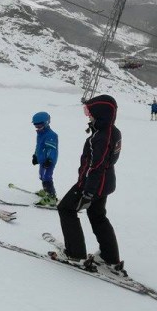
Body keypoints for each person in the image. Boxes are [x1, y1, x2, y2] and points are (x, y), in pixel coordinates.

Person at [55, 94, 125, 274]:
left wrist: (88, 192)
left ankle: (75, 254)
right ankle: (110, 256)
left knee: (66, 209)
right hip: (105, 183)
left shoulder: (100, 137)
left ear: (100, 114)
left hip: (92, 184)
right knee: (97, 215)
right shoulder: (112, 131)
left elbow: (96, 166)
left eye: (90, 112)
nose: (88, 116)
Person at [31, 111, 58, 207]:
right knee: (42, 176)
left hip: (49, 161)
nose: (37, 128)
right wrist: (35, 156)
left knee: (47, 177)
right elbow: (38, 146)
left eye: (40, 125)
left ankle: (51, 197)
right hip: (42, 160)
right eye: (36, 126)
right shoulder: (40, 134)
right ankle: (46, 190)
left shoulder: (51, 135)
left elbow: (51, 149)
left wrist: (49, 160)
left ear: (46, 123)